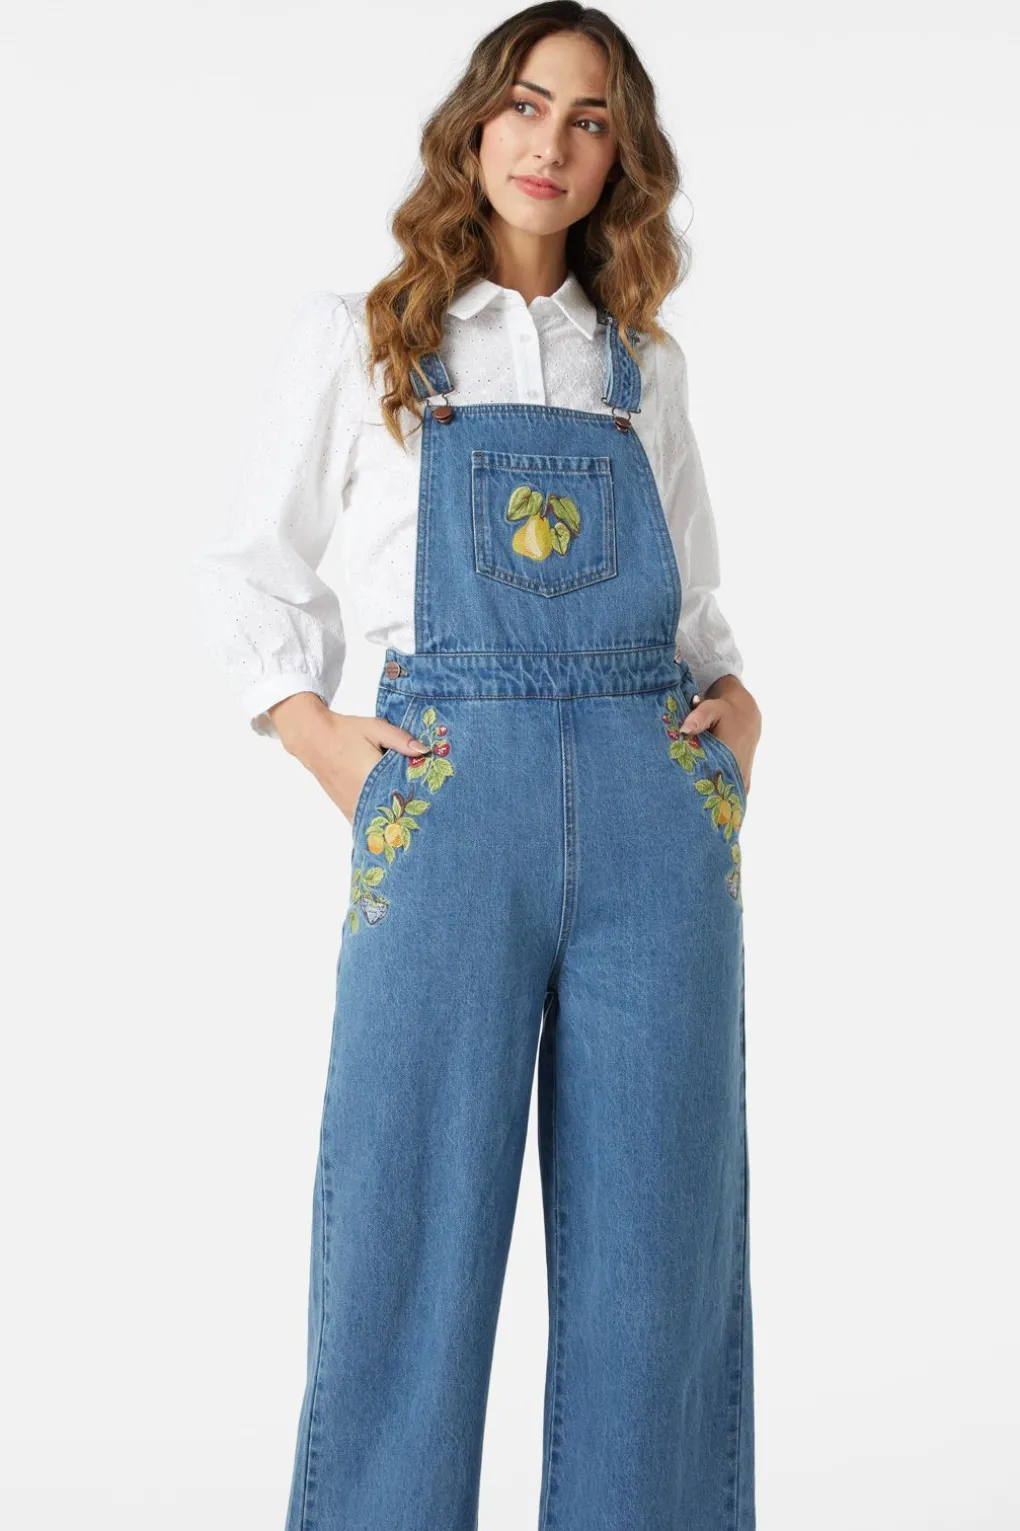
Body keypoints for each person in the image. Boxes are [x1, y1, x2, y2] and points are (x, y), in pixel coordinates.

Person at [192, 4, 763, 1527]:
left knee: (660, 1254)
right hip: (445, 802)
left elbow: (696, 605)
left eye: (590, 118)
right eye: (525, 103)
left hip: (654, 817)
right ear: (474, 122)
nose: (550, 142)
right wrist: (316, 735)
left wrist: (737, 717)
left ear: (622, 158)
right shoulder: (368, 336)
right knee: (405, 1235)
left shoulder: (643, 366)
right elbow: (252, 573)